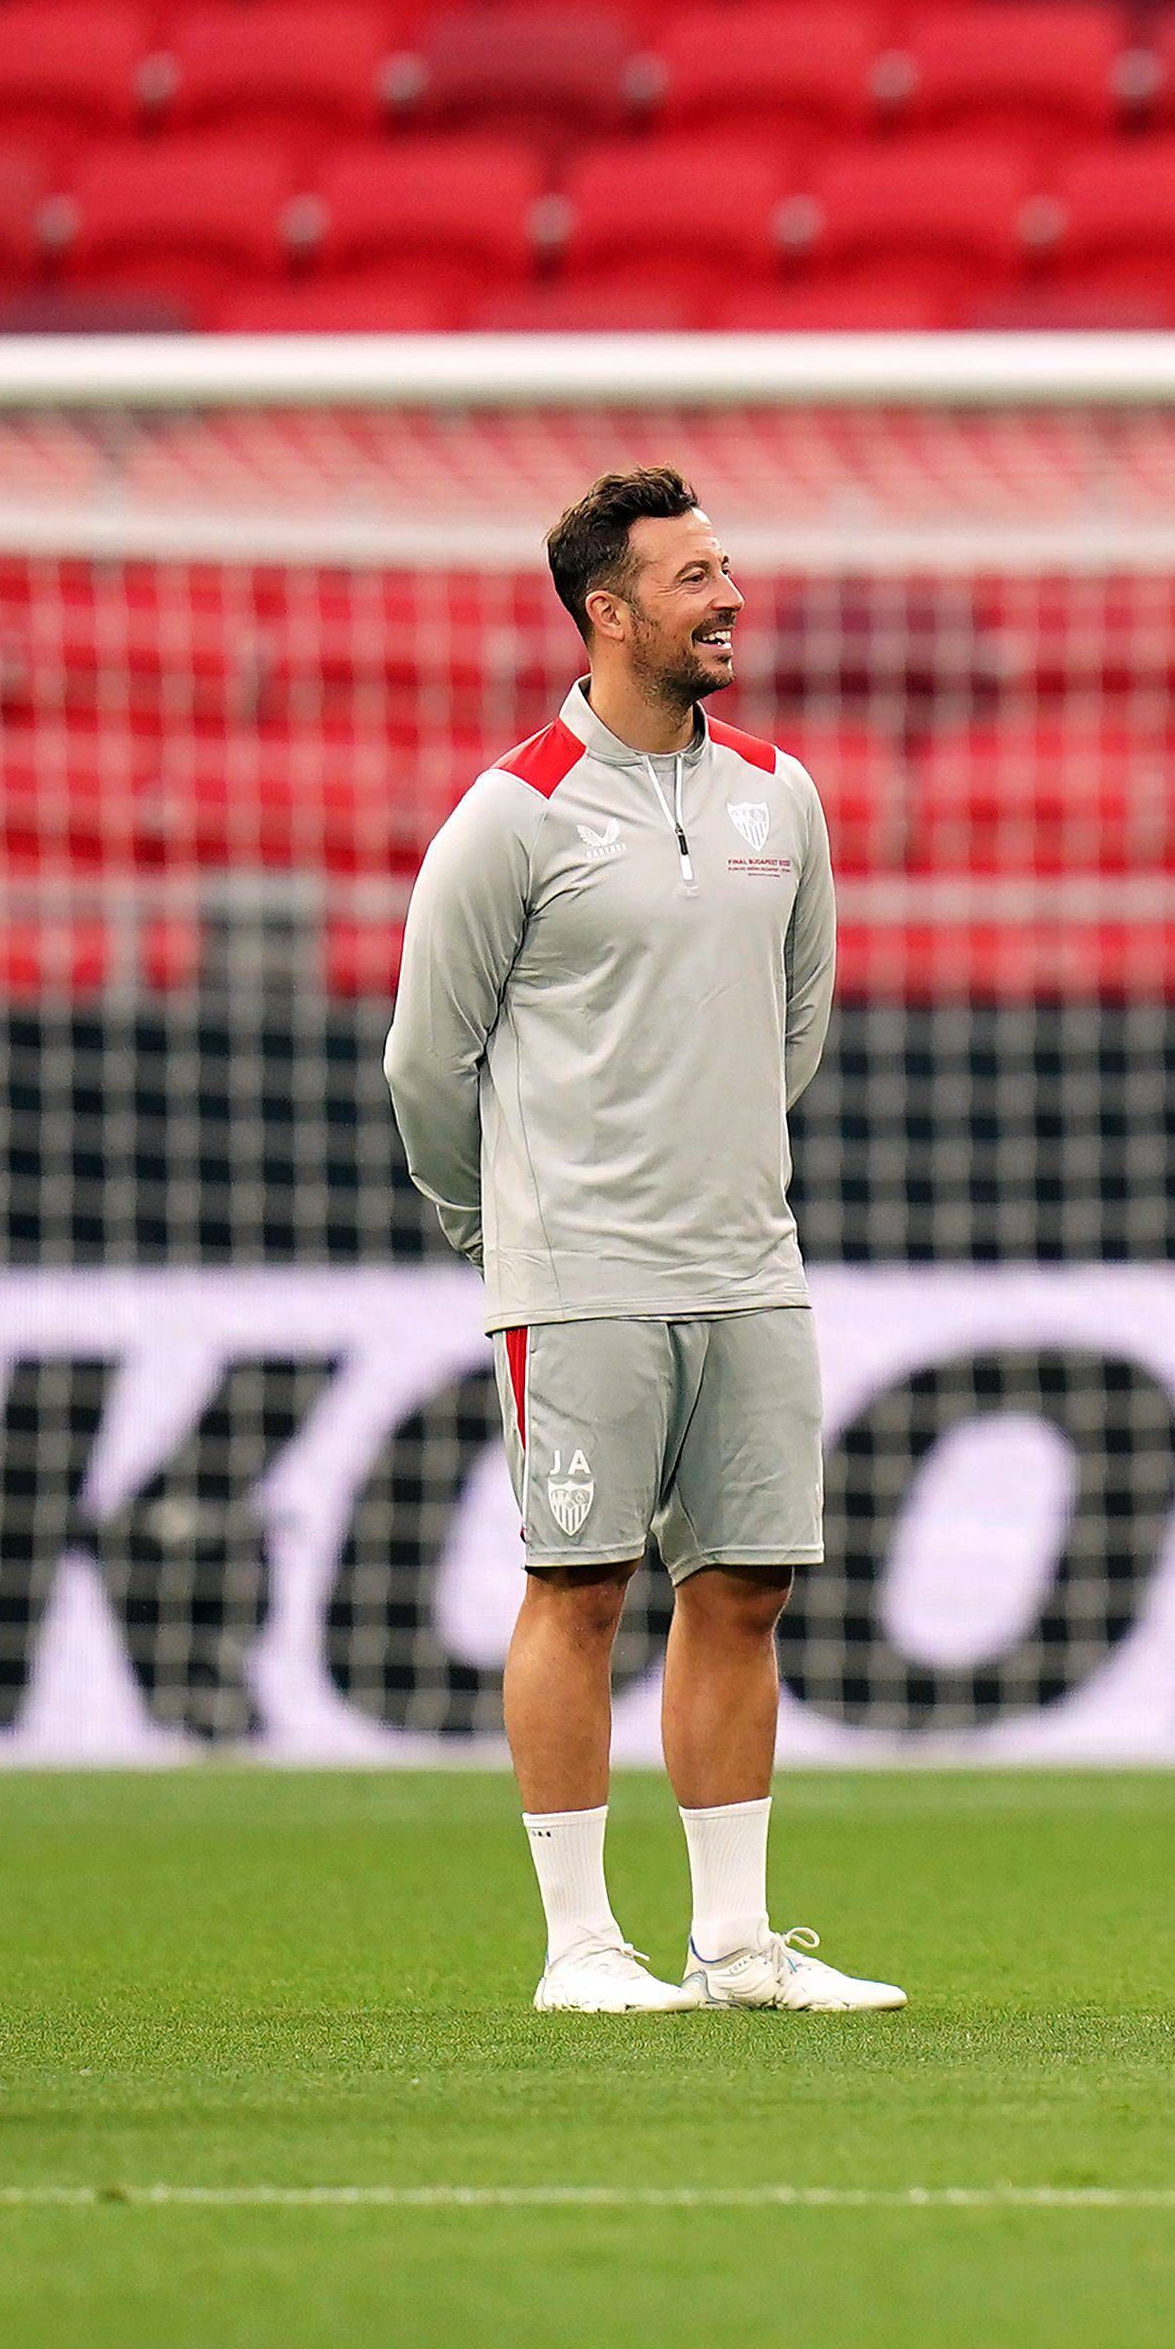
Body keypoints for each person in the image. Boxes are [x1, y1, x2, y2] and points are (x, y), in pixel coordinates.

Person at [383, 466, 892, 2017]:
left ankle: (734, 1945)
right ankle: (580, 1947)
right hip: (579, 1269)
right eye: (694, 578)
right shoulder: (514, 814)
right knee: (581, 1588)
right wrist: (499, 1229)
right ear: (609, 613)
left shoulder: (779, 794)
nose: (729, 597)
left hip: (749, 1261)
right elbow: (426, 1059)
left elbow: (794, 1021)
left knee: (744, 1590)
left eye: (728, 568)